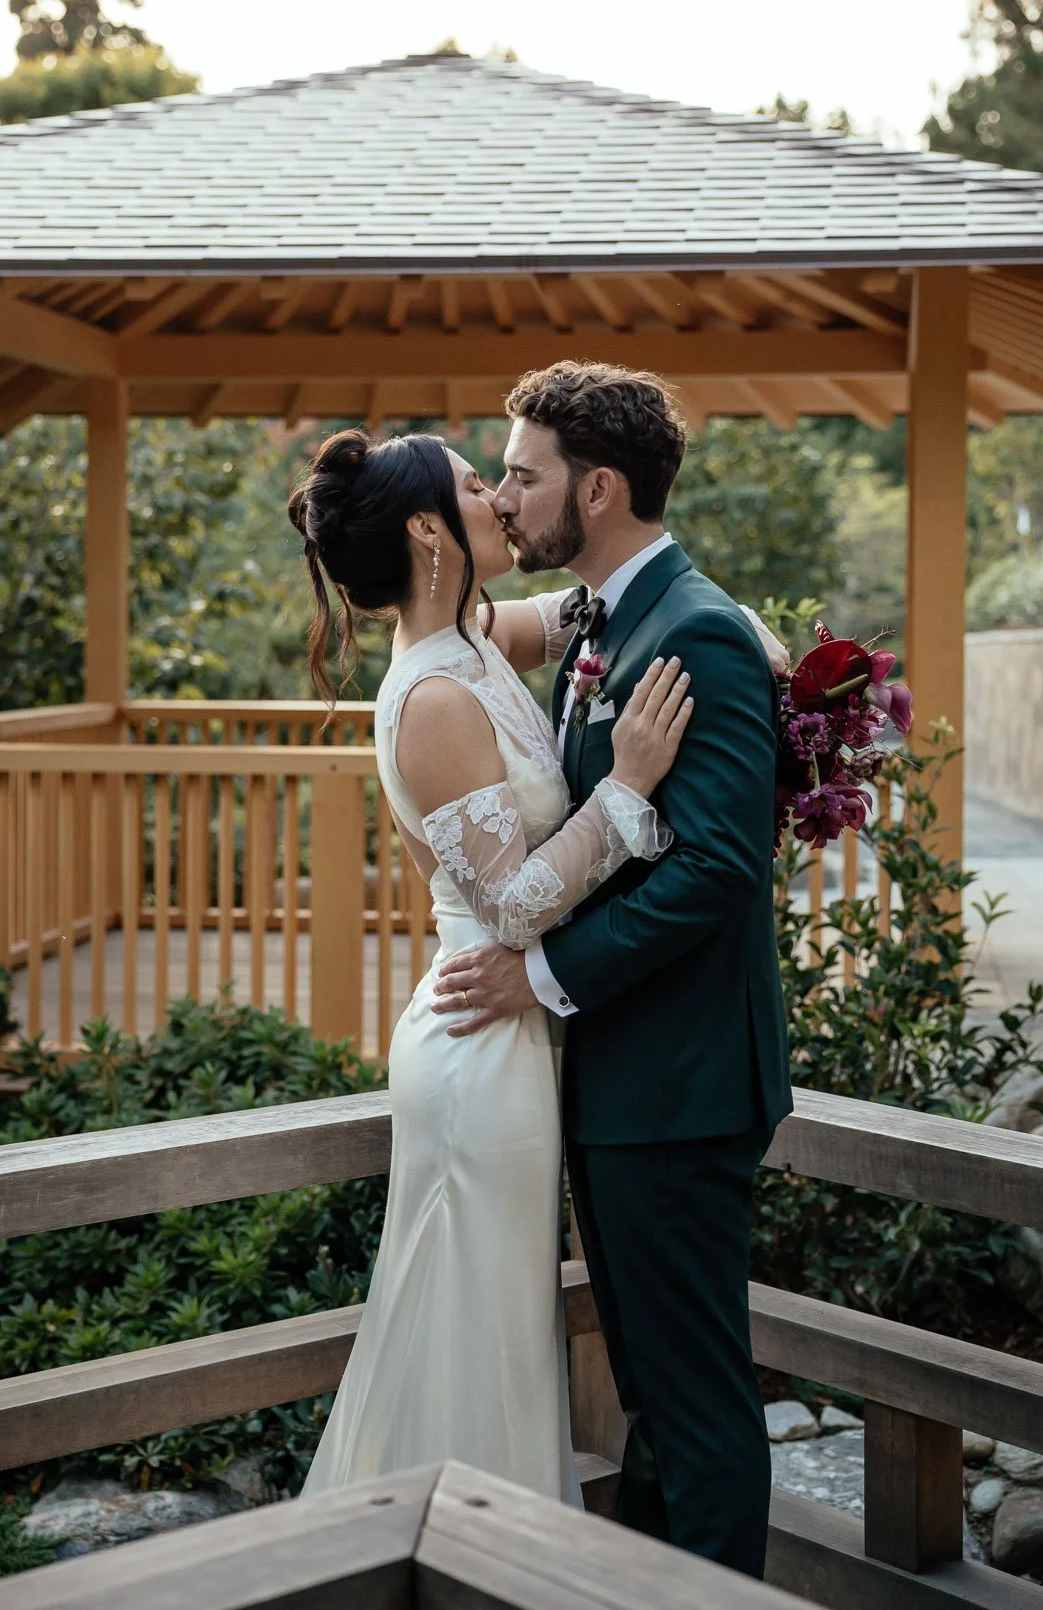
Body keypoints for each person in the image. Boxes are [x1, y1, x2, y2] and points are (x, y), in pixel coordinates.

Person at [432, 361, 793, 1579]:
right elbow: (448, 618)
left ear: (599, 489)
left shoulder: (694, 631)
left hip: (684, 1084)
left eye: (523, 476)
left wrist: (541, 979)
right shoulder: (600, 613)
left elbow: (720, 871)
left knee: (692, 1398)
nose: (509, 493)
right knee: (653, 1388)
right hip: (628, 1079)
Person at [288, 425, 693, 1505]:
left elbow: (590, 606)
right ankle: (461, 1541)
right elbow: (513, 904)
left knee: (501, 1321)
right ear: (430, 529)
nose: (503, 501)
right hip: (479, 1039)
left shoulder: (475, 637)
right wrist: (631, 782)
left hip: (512, 1034)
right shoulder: (431, 701)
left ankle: (484, 1540)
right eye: (480, 486)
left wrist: (738, 632)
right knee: (479, 1333)